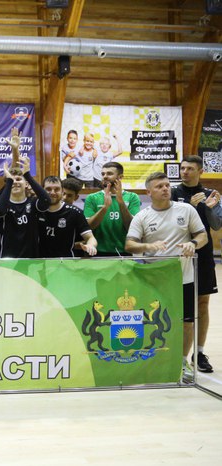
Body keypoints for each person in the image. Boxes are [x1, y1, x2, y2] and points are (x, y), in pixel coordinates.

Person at [125, 172, 207, 384]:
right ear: (148, 192)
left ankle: (182, 362)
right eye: (159, 186)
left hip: (183, 278)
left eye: (167, 185)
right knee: (154, 322)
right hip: (154, 280)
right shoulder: (142, 216)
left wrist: (192, 244)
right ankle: (153, 361)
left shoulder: (186, 210)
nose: (165, 189)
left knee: (187, 323)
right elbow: (130, 244)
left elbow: (203, 236)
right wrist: (148, 245)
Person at [172, 155, 222, 373]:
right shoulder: (172, 192)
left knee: (202, 303)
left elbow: (217, 226)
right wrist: (188, 208)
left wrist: (209, 208)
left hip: (203, 254)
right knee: (178, 304)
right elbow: (170, 222)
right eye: (183, 168)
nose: (185, 172)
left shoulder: (211, 194)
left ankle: (199, 353)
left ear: (200, 171)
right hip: (178, 254)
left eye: (190, 169)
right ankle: (177, 353)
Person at [0, 156, 51, 258]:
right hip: (7, 258)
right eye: (12, 180)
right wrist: (9, 181)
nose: (15, 182)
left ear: (26, 184)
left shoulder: (33, 203)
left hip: (31, 259)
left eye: (19, 179)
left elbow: (46, 200)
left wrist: (27, 175)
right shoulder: (1, 203)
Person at [83, 161, 140, 256]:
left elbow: (131, 227)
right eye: (103, 174)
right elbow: (89, 227)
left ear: (120, 177)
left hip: (124, 252)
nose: (105, 176)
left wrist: (121, 202)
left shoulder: (132, 197)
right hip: (96, 251)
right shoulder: (92, 198)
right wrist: (104, 208)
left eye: (109, 173)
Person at [38, 176, 97, 258]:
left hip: (66, 261)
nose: (52, 192)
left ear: (62, 191)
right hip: (39, 261)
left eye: (57, 189)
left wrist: (91, 245)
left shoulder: (75, 212)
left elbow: (90, 238)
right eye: (48, 189)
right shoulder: (36, 210)